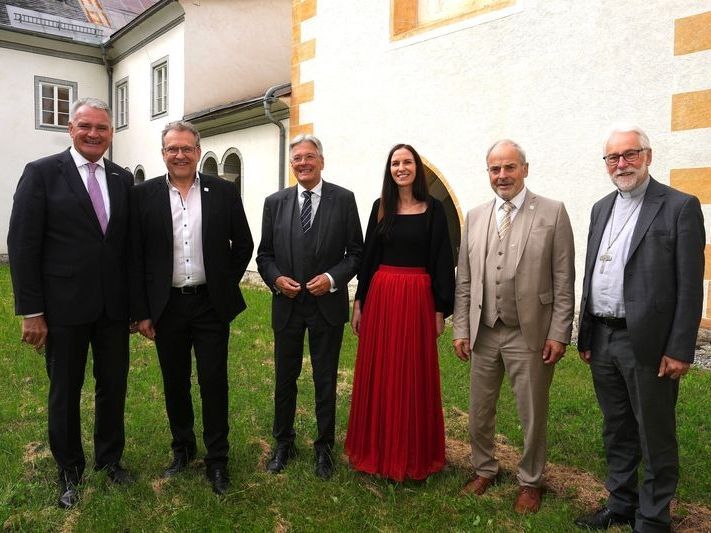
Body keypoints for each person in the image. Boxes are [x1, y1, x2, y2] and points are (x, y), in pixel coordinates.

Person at [574, 124, 704, 532]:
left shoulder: (679, 206)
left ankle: (652, 517)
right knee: (616, 428)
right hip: (604, 337)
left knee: (654, 432)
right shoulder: (600, 208)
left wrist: (680, 348)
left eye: (630, 154)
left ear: (647, 156)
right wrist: (587, 332)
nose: (622, 163)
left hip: (648, 342)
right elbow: (593, 273)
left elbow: (690, 284)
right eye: (613, 157)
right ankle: (621, 503)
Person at [7, 97, 134, 508]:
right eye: (86, 126)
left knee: (113, 386)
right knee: (65, 389)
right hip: (62, 308)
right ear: (70, 128)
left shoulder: (122, 178)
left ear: (111, 133)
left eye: (102, 128)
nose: (94, 134)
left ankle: (109, 460)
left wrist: (136, 307)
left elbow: (126, 247)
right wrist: (32, 311)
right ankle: (69, 469)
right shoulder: (42, 173)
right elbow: (22, 244)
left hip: (113, 308)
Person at [129, 120, 253, 495]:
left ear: (198, 152)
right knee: (175, 382)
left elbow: (243, 244)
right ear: (163, 153)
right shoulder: (143, 195)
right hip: (167, 306)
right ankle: (182, 449)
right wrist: (142, 311)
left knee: (214, 381)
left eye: (186, 148)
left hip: (209, 304)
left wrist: (223, 285)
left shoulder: (223, 191)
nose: (180, 155)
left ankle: (217, 459)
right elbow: (135, 257)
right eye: (173, 149)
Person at [452, 139, 575, 513]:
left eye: (509, 167)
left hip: (530, 332)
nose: (502, 175)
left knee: (532, 412)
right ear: (488, 173)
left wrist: (559, 332)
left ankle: (531, 481)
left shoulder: (552, 212)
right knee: (479, 409)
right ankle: (484, 468)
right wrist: (461, 328)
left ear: (525, 169)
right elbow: (465, 279)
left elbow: (564, 279)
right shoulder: (475, 216)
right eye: (495, 169)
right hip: (485, 329)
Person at [345, 143, 455, 481]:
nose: (401, 168)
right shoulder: (381, 207)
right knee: (380, 372)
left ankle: (413, 455)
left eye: (407, 162)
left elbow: (442, 259)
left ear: (417, 168)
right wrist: (360, 301)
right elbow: (369, 258)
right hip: (382, 296)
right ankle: (375, 451)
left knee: (412, 373)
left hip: (417, 298)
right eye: (395, 163)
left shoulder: (434, 209)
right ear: (389, 169)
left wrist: (440, 309)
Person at [256, 134, 363, 480]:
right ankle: (283, 443)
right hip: (287, 306)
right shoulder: (275, 203)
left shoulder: (343, 199)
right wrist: (276, 279)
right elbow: (264, 255)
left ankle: (324, 448)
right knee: (285, 378)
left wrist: (332, 279)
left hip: (326, 306)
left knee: (325, 379)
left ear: (321, 160)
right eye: (297, 158)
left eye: (309, 157)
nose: (303, 163)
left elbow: (356, 254)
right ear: (292, 165)